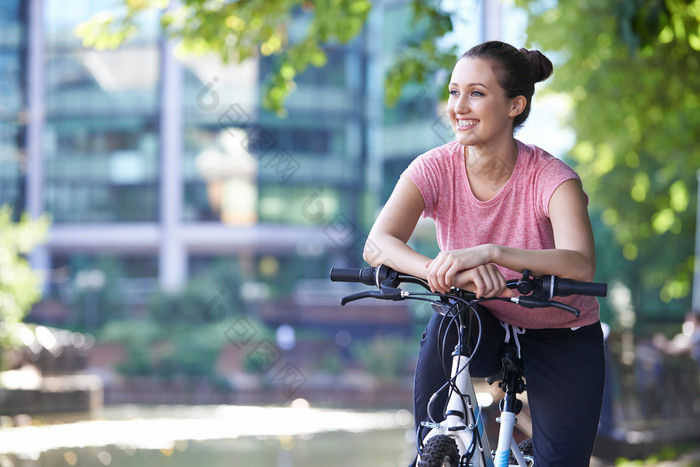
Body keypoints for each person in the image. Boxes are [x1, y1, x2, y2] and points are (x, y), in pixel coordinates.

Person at [363, 41, 605, 466]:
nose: (459, 106)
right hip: (482, 319)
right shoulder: (435, 167)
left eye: (476, 93)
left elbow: (580, 262)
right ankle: (438, 445)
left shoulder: (552, 178)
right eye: (454, 92)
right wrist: (445, 271)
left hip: (561, 328)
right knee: (448, 316)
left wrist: (491, 254)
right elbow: (377, 243)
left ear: (515, 105)